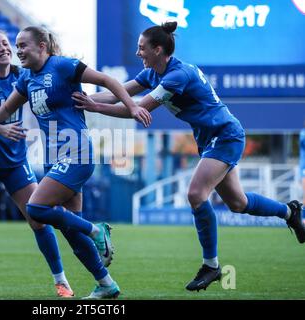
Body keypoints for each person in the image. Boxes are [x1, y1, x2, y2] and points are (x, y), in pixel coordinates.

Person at [72, 21, 305, 292]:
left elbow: (136, 109)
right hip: (210, 139)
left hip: (226, 134)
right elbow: (119, 94)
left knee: (196, 194)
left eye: (142, 48)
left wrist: (94, 107)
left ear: (158, 49)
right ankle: (290, 211)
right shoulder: (153, 73)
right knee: (238, 204)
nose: (138, 53)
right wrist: (80, 99)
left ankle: (211, 265)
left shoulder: (177, 76)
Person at [0, 26, 151, 299]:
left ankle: (97, 230)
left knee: (35, 208)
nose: (18, 51)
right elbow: (6, 108)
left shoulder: (62, 66)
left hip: (77, 153)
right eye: (18, 45)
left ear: (42, 47)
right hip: (53, 158)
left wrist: (131, 106)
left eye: (23, 45)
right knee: (70, 229)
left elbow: (107, 80)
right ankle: (106, 284)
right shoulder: (26, 79)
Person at [0, 29, 75, 299]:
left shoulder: (23, 74)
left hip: (16, 161)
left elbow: (49, 78)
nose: (4, 48)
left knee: (39, 219)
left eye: (5, 43)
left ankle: (61, 281)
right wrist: (2, 128)